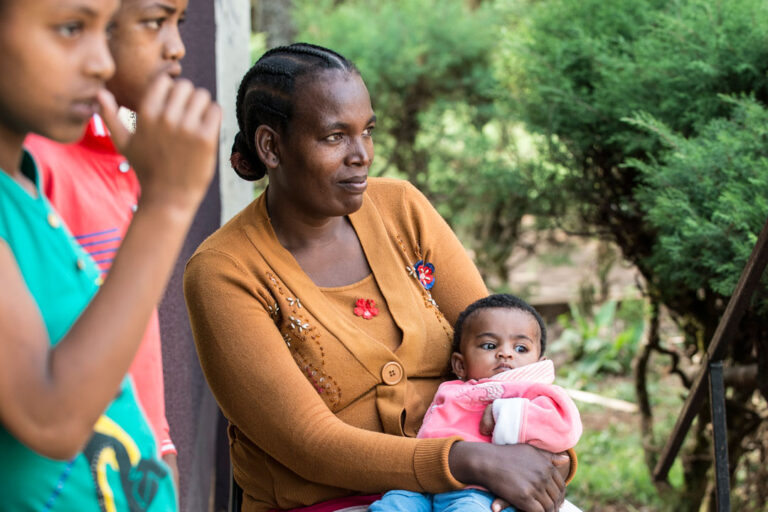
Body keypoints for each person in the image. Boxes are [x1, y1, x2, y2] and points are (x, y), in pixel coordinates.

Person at [183, 43, 569, 512]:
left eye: (367, 131)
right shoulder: (226, 271)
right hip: (331, 502)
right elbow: (310, 444)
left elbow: (505, 355)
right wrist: (470, 461)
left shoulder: (401, 210)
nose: (361, 154)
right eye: (334, 137)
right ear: (271, 146)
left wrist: (547, 454)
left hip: (468, 493)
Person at [0, 0, 221, 509]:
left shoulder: (24, 189)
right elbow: (49, 417)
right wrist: (166, 204)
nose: (102, 61)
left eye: (104, 30)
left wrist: (155, 447)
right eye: (71, 28)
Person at [368, 294, 582, 512]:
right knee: (393, 504)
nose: (505, 353)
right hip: (427, 484)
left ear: (538, 363)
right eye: (489, 346)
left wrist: (507, 413)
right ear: (460, 365)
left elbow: (564, 426)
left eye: (520, 349)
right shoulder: (453, 387)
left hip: (483, 491)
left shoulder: (531, 391)